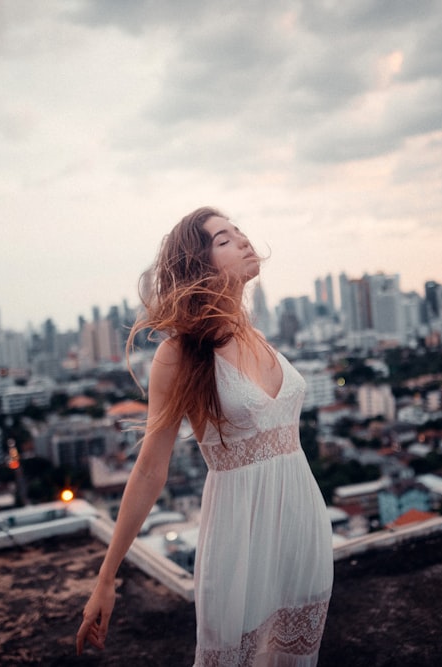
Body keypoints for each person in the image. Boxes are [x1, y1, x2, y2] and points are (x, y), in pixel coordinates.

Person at [76, 206, 333, 665]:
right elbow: (151, 469)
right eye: (223, 239)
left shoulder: (255, 335)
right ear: (198, 264)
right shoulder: (179, 355)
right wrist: (106, 578)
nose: (243, 239)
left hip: (301, 529)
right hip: (239, 540)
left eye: (239, 232)